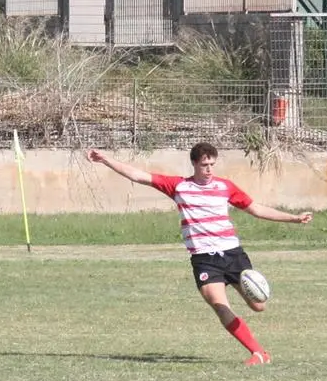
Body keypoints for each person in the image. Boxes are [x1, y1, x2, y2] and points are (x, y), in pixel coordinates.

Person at [87, 142, 312, 364]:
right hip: (204, 259)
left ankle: (256, 324)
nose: (209, 170)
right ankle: (259, 353)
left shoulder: (225, 187)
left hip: (232, 254)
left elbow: (256, 209)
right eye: (204, 165)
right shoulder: (178, 187)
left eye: (212, 164)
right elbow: (138, 176)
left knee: (258, 306)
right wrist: (106, 159)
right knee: (219, 304)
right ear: (194, 164)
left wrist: (293, 218)